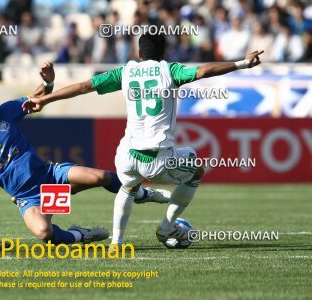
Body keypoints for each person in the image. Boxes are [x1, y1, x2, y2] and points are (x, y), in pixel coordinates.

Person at [22, 33, 264, 248]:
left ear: (139, 53)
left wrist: (46, 99)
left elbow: (85, 86)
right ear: (164, 53)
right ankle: (167, 227)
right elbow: (203, 71)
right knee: (195, 171)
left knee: (127, 187)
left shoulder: (126, 71)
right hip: (158, 158)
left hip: (126, 157)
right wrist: (242, 63)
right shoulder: (170, 70)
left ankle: (117, 243)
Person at [0, 62, 170, 246]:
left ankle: (141, 193)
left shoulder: (5, 112)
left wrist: (48, 82)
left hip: (50, 175)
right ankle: (79, 235)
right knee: (44, 233)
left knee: (101, 177)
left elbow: (38, 97)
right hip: (26, 197)